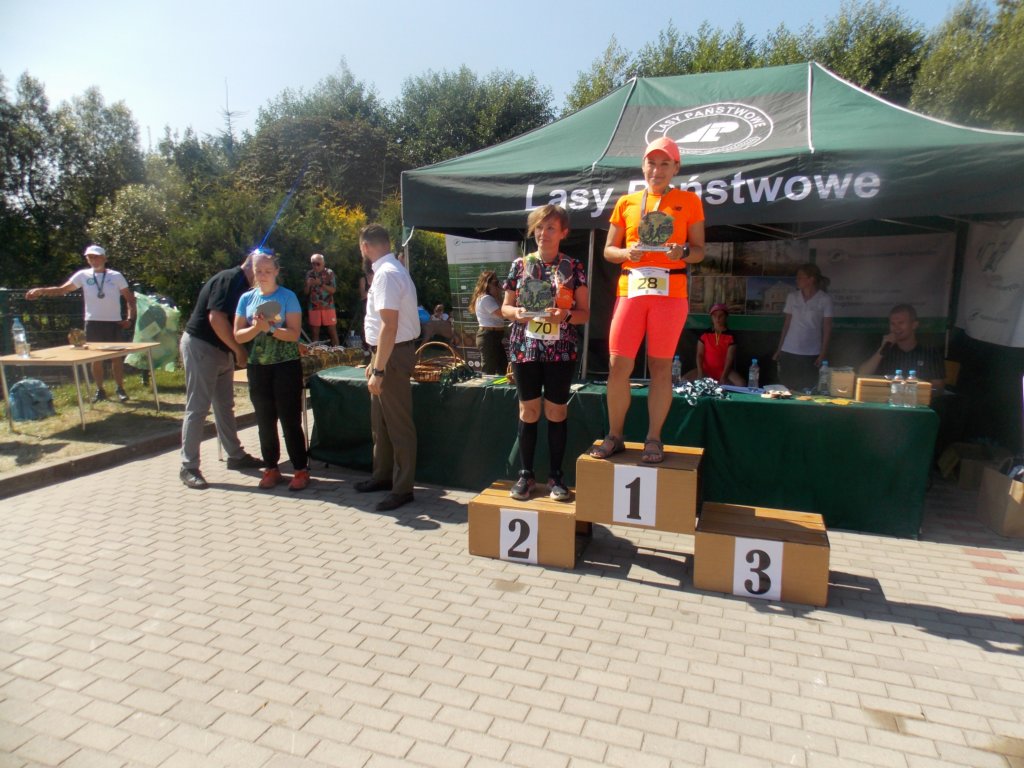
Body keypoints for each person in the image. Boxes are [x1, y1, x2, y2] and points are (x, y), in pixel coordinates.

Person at [590, 137, 705, 464]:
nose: (657, 170)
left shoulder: (689, 201)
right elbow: (608, 251)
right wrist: (627, 252)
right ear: (643, 166)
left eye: (665, 163)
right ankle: (615, 435)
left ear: (676, 168)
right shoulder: (627, 202)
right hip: (632, 289)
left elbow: (699, 250)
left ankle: (654, 439)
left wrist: (682, 251)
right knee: (618, 366)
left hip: (670, 292)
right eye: (652, 163)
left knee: (660, 367)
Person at [502, 204, 590, 501]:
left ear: (563, 232)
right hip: (525, 347)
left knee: (556, 411)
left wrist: (565, 316)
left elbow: (585, 313)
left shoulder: (574, 267)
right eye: (539, 227)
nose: (543, 233)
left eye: (551, 227)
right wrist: (517, 313)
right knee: (528, 411)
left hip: (561, 349)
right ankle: (526, 475)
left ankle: (556, 477)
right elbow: (505, 307)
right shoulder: (520, 265)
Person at [178, 250, 263, 490]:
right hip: (202, 346)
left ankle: (235, 455)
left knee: (224, 405)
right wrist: (238, 350)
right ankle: (188, 466)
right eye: (261, 270)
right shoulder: (230, 279)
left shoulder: (246, 287)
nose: (264, 275)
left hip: (222, 349)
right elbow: (216, 318)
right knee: (198, 407)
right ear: (251, 267)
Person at [356, 224, 420, 512]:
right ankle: (382, 476)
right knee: (381, 422)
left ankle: (402, 488)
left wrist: (379, 369)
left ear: (365, 247)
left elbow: (389, 326)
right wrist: (375, 362)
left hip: (392, 355)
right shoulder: (392, 269)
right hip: (386, 354)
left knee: (397, 425)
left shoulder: (386, 274)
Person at [233, 250, 310, 491]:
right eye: (259, 271)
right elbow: (238, 335)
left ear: (276, 271)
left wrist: (271, 329)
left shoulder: (288, 297)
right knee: (265, 420)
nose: (263, 275)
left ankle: (300, 469)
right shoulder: (246, 299)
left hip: (286, 366)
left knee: (290, 420)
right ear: (253, 272)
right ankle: (271, 468)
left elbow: (294, 334)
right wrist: (256, 328)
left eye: (268, 271)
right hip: (258, 367)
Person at [26, 244, 137, 403]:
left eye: (96, 257)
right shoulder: (83, 275)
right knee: (95, 358)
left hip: (114, 322)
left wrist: (130, 319)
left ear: (104, 258)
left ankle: (120, 388)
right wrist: (41, 290)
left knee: (116, 358)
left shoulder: (116, 276)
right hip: (92, 322)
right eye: (90, 257)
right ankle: (100, 390)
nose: (93, 260)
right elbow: (63, 289)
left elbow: (130, 299)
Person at [858, 303, 945, 394]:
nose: (896, 328)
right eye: (893, 324)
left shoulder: (930, 352)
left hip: (916, 399)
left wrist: (913, 391)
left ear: (914, 325)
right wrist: (882, 350)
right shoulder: (884, 349)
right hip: (887, 399)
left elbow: (938, 387)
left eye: (901, 323)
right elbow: (862, 375)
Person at [773, 263, 833, 392]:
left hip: (811, 352)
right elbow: (786, 325)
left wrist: (823, 353)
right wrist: (779, 349)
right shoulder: (792, 297)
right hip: (789, 349)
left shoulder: (824, 299)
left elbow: (827, 328)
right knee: (787, 388)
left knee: (807, 389)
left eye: (800, 277)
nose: (797, 280)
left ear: (811, 279)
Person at [687, 303, 744, 386]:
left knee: (741, 384)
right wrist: (700, 372)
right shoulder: (705, 334)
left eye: (721, 315)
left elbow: (729, 358)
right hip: (706, 370)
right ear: (711, 317)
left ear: (726, 317)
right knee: (684, 380)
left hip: (724, 371)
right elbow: (699, 355)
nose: (717, 318)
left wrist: (724, 376)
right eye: (714, 315)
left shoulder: (731, 336)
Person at [469, 270, 506, 375]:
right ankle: (485, 386)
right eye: (495, 283)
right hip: (488, 336)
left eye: (498, 282)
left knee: (503, 367)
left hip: (494, 335)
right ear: (487, 283)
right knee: (489, 369)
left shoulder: (491, 298)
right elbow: (502, 313)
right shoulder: (485, 298)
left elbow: (503, 310)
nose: (498, 286)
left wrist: (499, 294)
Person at [304, 253, 339, 346]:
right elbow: (306, 293)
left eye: (318, 264)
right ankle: (315, 353)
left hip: (328, 306)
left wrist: (320, 284)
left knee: (332, 331)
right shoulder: (309, 274)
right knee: (315, 333)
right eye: (313, 264)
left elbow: (333, 290)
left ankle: (338, 352)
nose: (315, 266)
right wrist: (308, 285)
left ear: (323, 263)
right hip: (314, 307)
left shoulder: (329, 273)